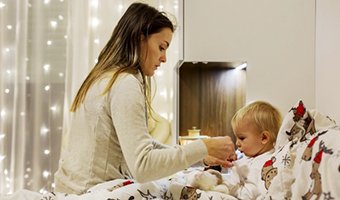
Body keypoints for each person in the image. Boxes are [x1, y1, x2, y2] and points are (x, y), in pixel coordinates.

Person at [54, 2, 236, 195]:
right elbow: (143, 166)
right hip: (92, 193)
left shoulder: (105, 77)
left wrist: (200, 154)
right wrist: (203, 146)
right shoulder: (125, 83)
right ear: (140, 39)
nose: (164, 58)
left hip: (71, 190)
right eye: (161, 47)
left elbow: (141, 143)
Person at [223, 100, 282, 199]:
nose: (237, 143)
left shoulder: (263, 165)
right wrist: (231, 164)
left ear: (264, 138)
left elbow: (249, 194)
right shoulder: (250, 155)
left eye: (242, 138)